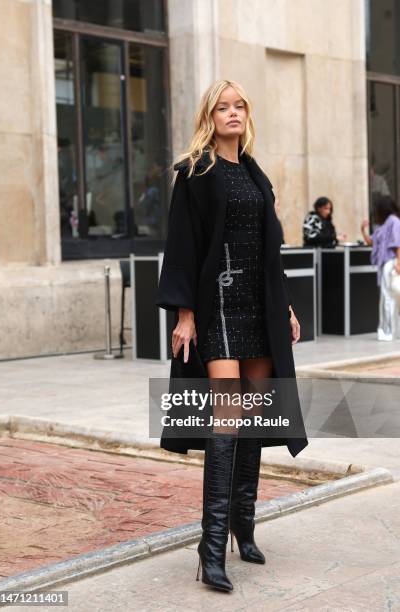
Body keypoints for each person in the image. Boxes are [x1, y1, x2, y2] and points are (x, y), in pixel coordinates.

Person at [155, 79, 308, 593]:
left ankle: (245, 522)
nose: (233, 113)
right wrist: (185, 314)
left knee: (258, 416)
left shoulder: (256, 173)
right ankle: (211, 544)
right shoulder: (196, 172)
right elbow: (182, 244)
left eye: (240, 105)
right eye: (223, 107)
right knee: (226, 418)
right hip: (217, 309)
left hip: (258, 310)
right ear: (210, 116)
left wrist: (283, 306)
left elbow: (269, 252)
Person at [361, 195, 400, 341]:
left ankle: (389, 331)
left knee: (389, 297)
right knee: (387, 297)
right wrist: (363, 230)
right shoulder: (383, 225)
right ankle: (389, 330)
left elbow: (398, 243)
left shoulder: (394, 222)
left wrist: (399, 263)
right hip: (385, 264)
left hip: (391, 263)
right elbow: (372, 242)